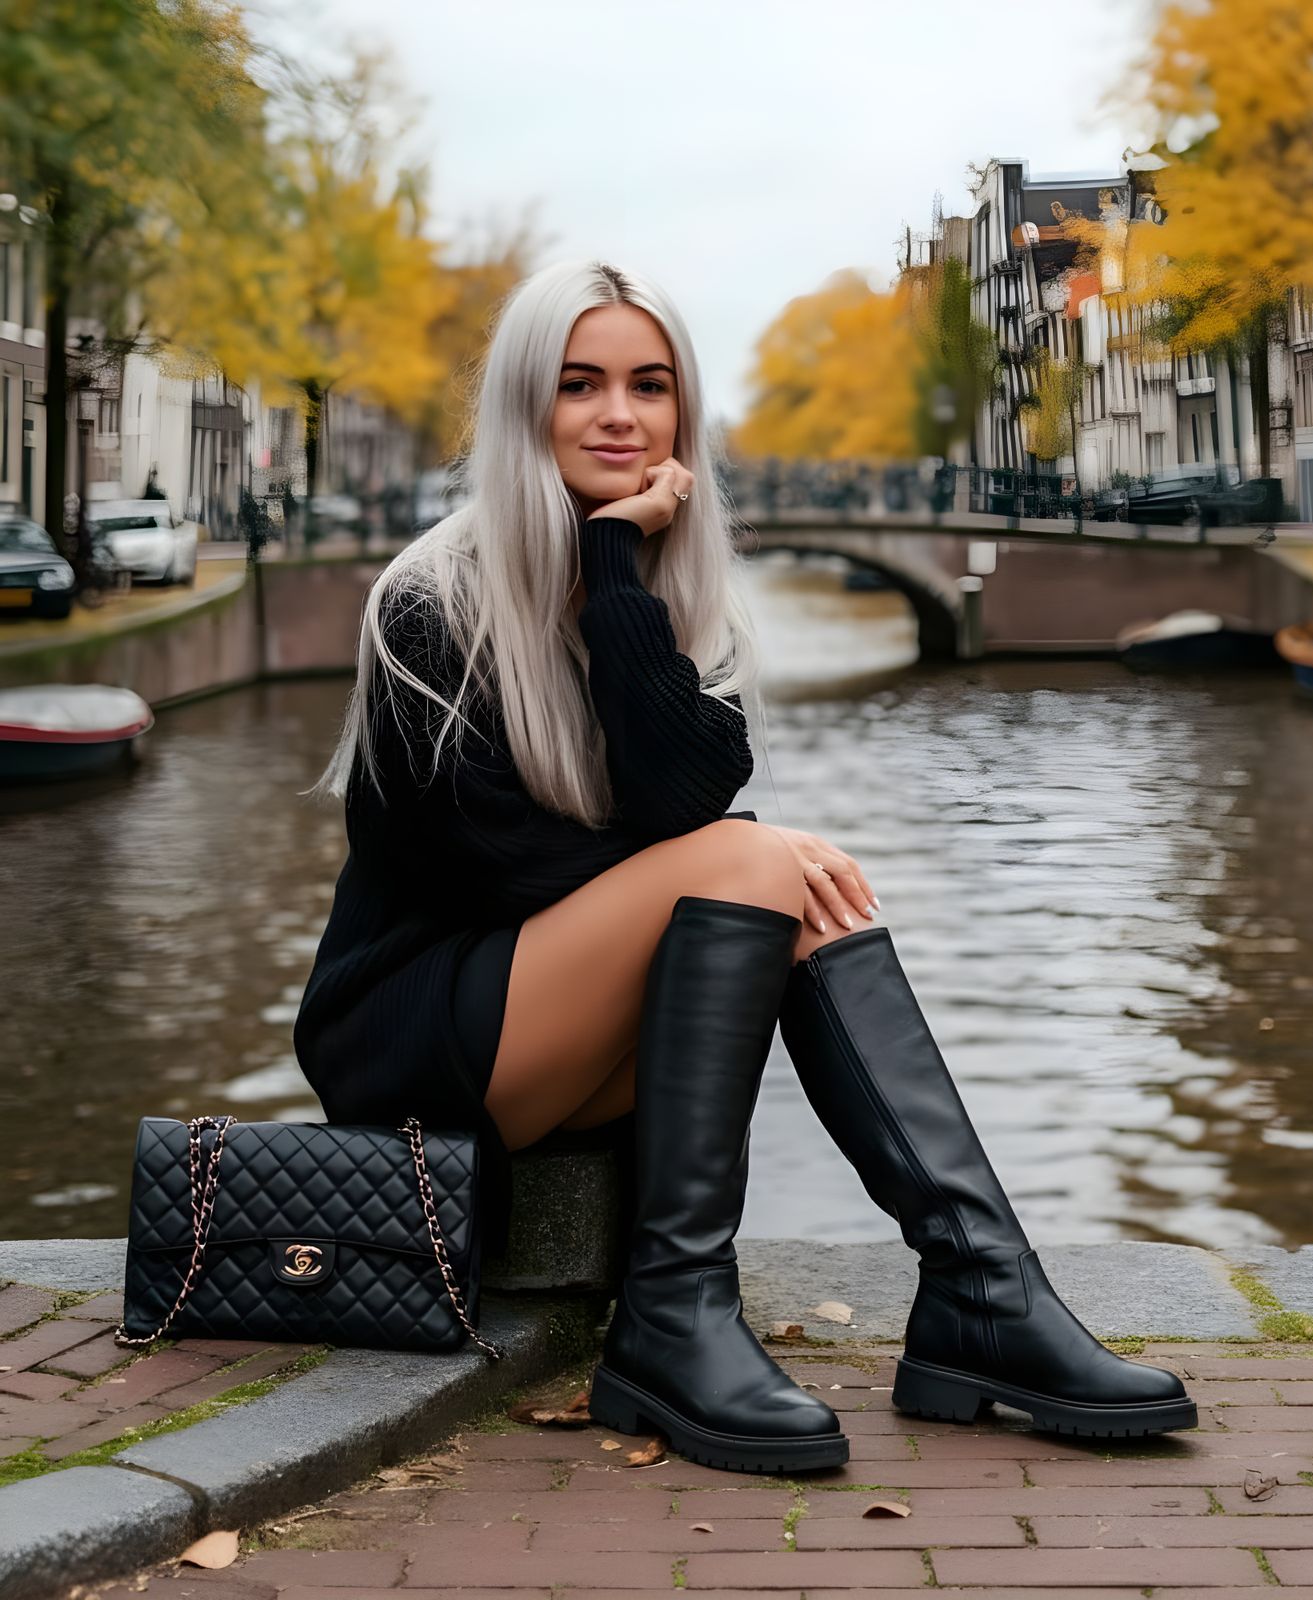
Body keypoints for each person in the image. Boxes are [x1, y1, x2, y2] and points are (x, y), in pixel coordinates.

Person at [293, 258, 1197, 1478]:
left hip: (556, 1028)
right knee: (757, 863)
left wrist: (615, 572)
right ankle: (677, 1315)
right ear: (523, 407)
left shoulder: (672, 589)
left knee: (799, 899)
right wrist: (738, 852)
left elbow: (681, 799)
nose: (620, 414)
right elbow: (505, 868)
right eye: (579, 384)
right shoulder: (427, 603)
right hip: (417, 1040)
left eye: (650, 385)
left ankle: (980, 1286)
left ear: (684, 409)